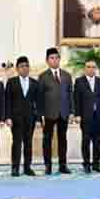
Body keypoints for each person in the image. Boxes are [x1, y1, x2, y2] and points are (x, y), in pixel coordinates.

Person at [37, 47, 74, 175]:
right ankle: (48, 165)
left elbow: (70, 95)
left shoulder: (67, 76)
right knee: (47, 139)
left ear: (59, 59)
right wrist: (40, 115)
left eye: (57, 58)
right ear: (47, 61)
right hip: (48, 113)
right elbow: (39, 98)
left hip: (63, 112)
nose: (55, 60)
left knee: (62, 139)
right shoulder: (42, 77)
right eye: (52, 58)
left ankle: (63, 165)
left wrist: (71, 112)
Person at [4, 56, 40, 177]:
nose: (25, 68)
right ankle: (15, 168)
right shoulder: (11, 82)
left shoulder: (35, 83)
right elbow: (7, 101)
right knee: (17, 143)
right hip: (16, 119)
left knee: (28, 143)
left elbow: (38, 103)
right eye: (22, 66)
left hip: (30, 119)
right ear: (17, 68)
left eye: (26, 66)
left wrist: (39, 119)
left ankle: (27, 167)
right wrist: (8, 117)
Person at [73, 60, 100, 173]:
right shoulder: (79, 81)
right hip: (85, 116)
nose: (91, 69)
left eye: (93, 67)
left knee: (97, 142)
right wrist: (77, 114)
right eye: (88, 67)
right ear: (85, 69)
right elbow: (76, 99)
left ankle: (96, 164)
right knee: (86, 140)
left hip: (98, 116)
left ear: (96, 69)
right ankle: (86, 164)